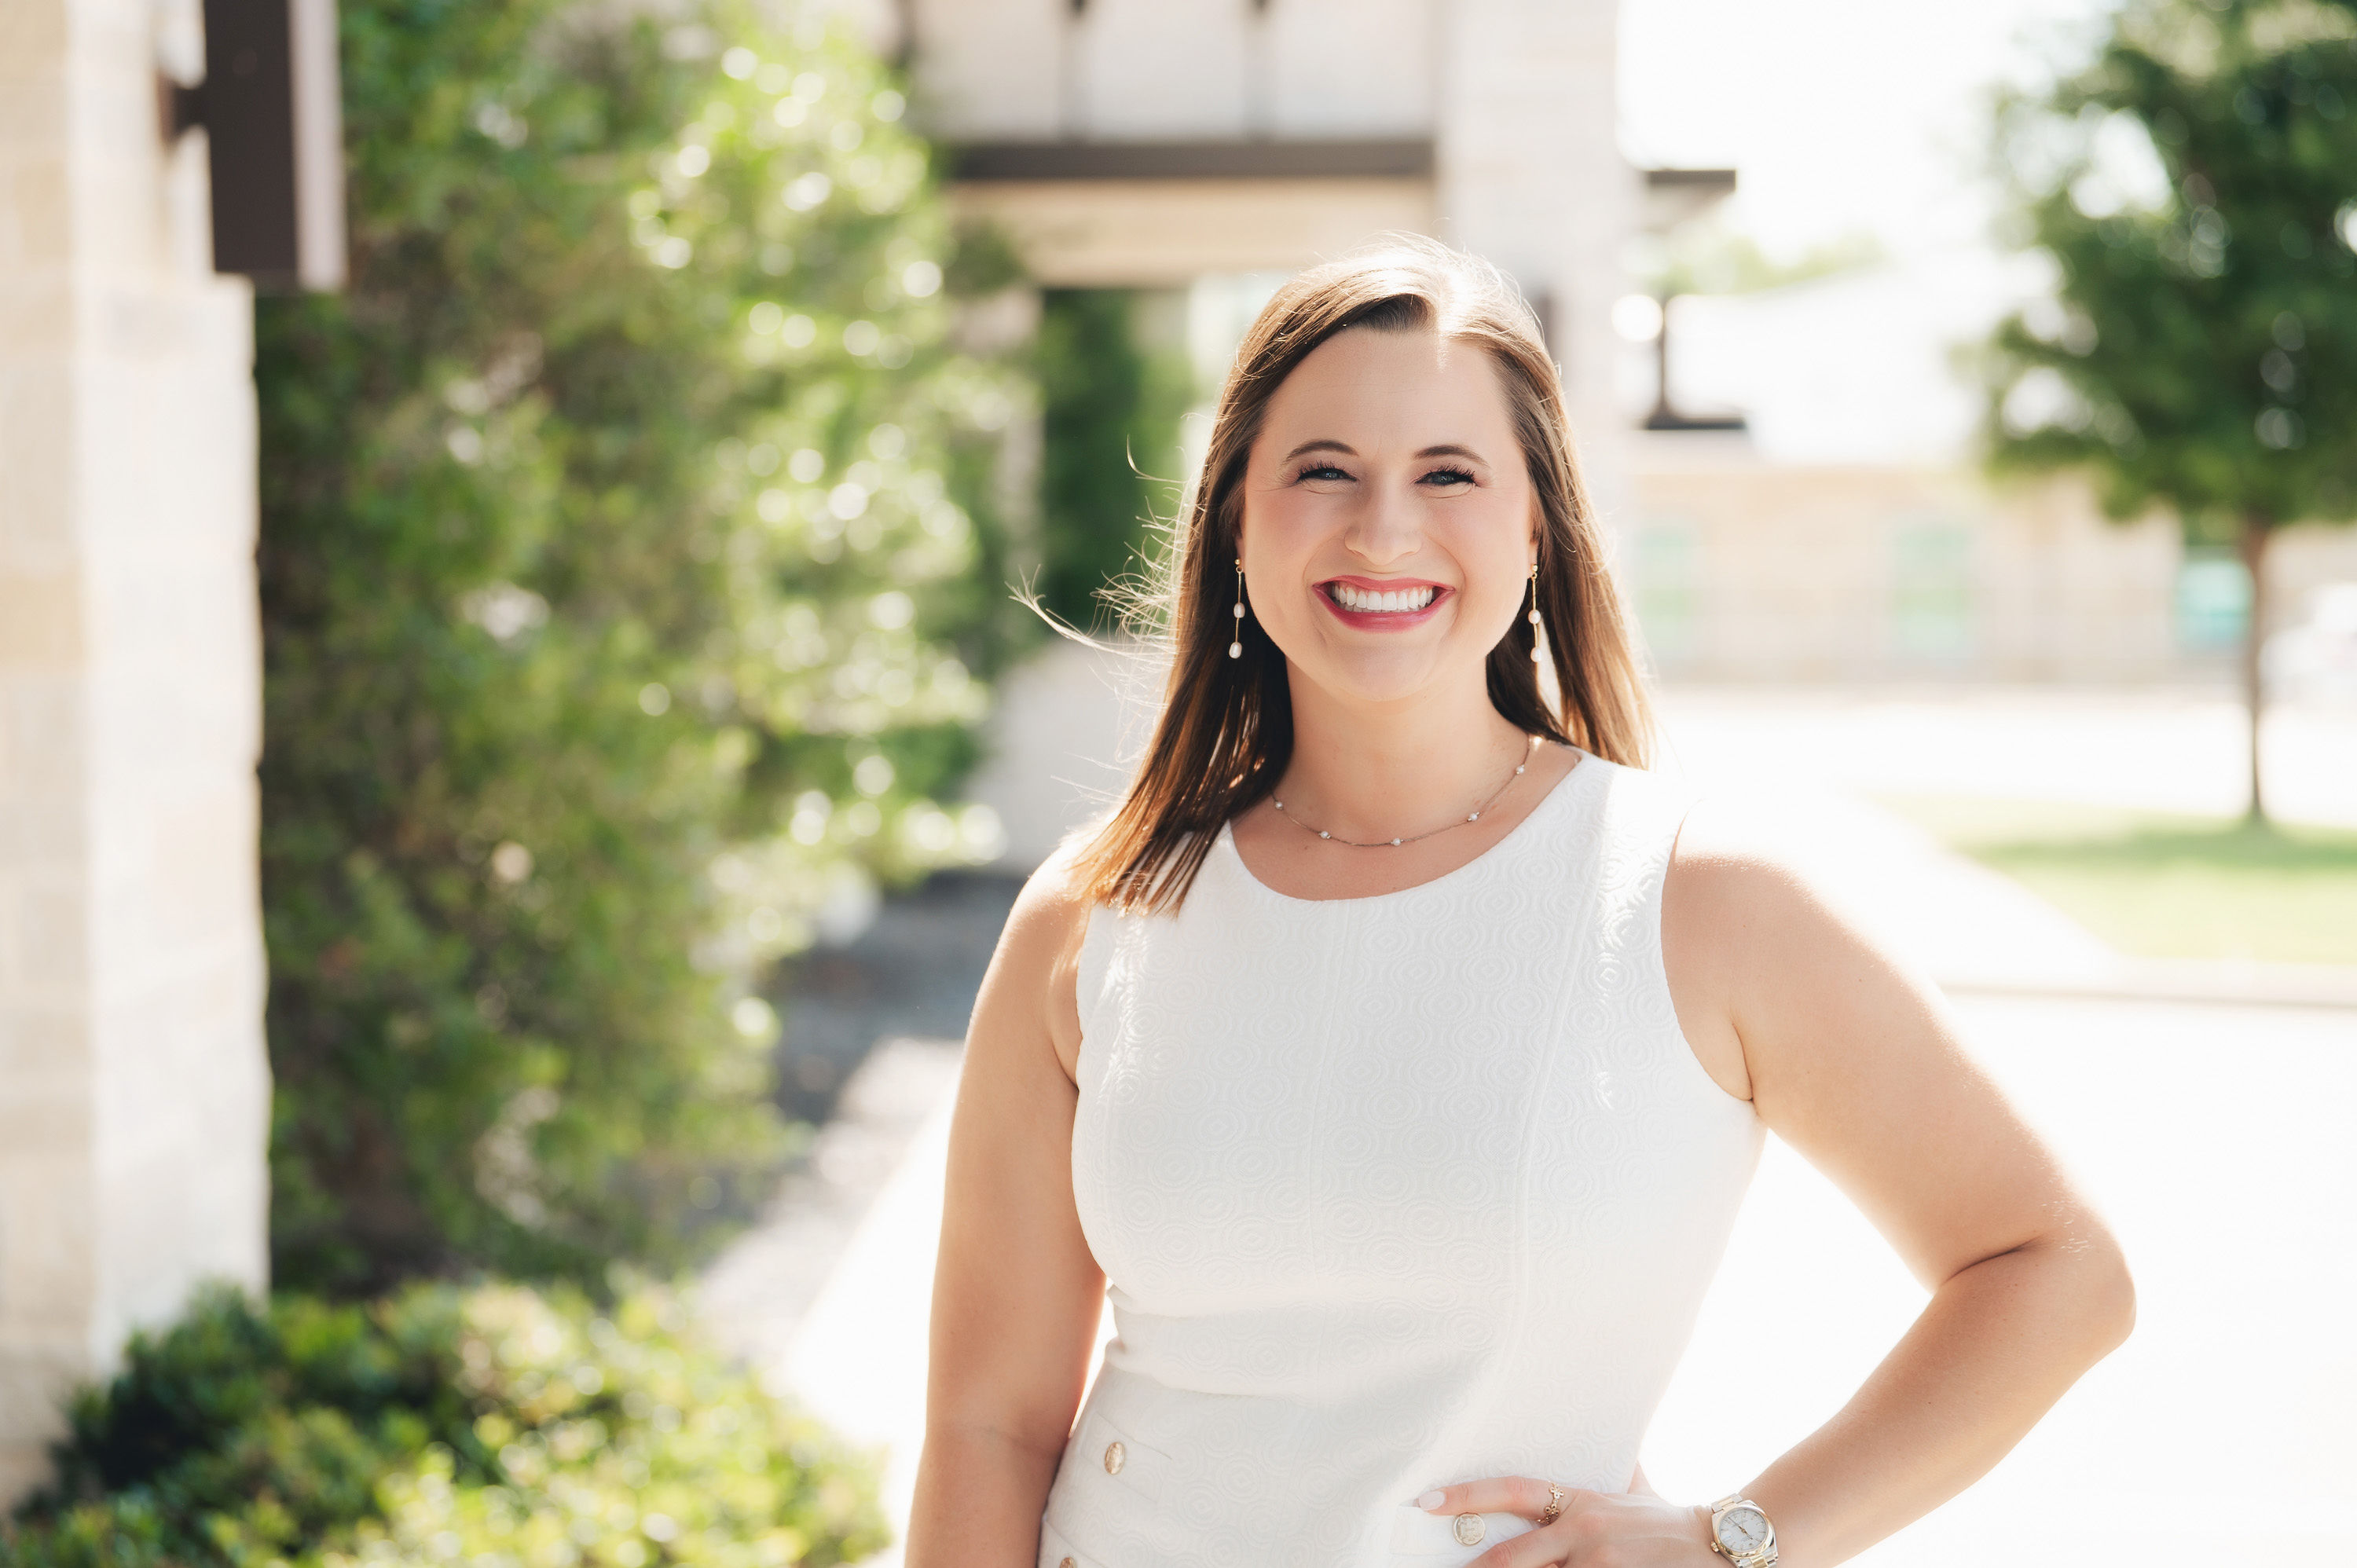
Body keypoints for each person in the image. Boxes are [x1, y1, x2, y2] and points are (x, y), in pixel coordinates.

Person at [907, 238, 2133, 1568]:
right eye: (1323, 470)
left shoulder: (1701, 904)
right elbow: (988, 1428)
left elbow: (2050, 1268)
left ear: (1536, 525)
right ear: (1235, 517)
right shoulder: (1094, 917)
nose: (1385, 529)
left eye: (1450, 473)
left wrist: (1740, 1540)